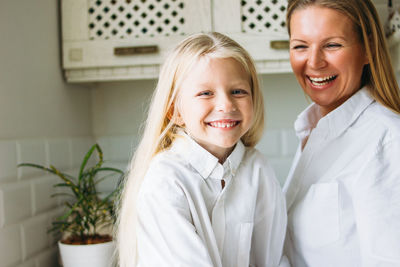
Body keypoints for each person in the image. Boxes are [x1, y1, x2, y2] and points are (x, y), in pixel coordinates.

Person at [116, 32, 289, 267]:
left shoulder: (258, 169)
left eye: (238, 91)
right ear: (174, 112)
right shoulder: (166, 180)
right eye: (205, 93)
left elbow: (274, 258)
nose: (226, 104)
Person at [283, 0, 400, 266]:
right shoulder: (311, 130)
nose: (313, 62)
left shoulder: (389, 142)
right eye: (300, 46)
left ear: (368, 49)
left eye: (332, 45)